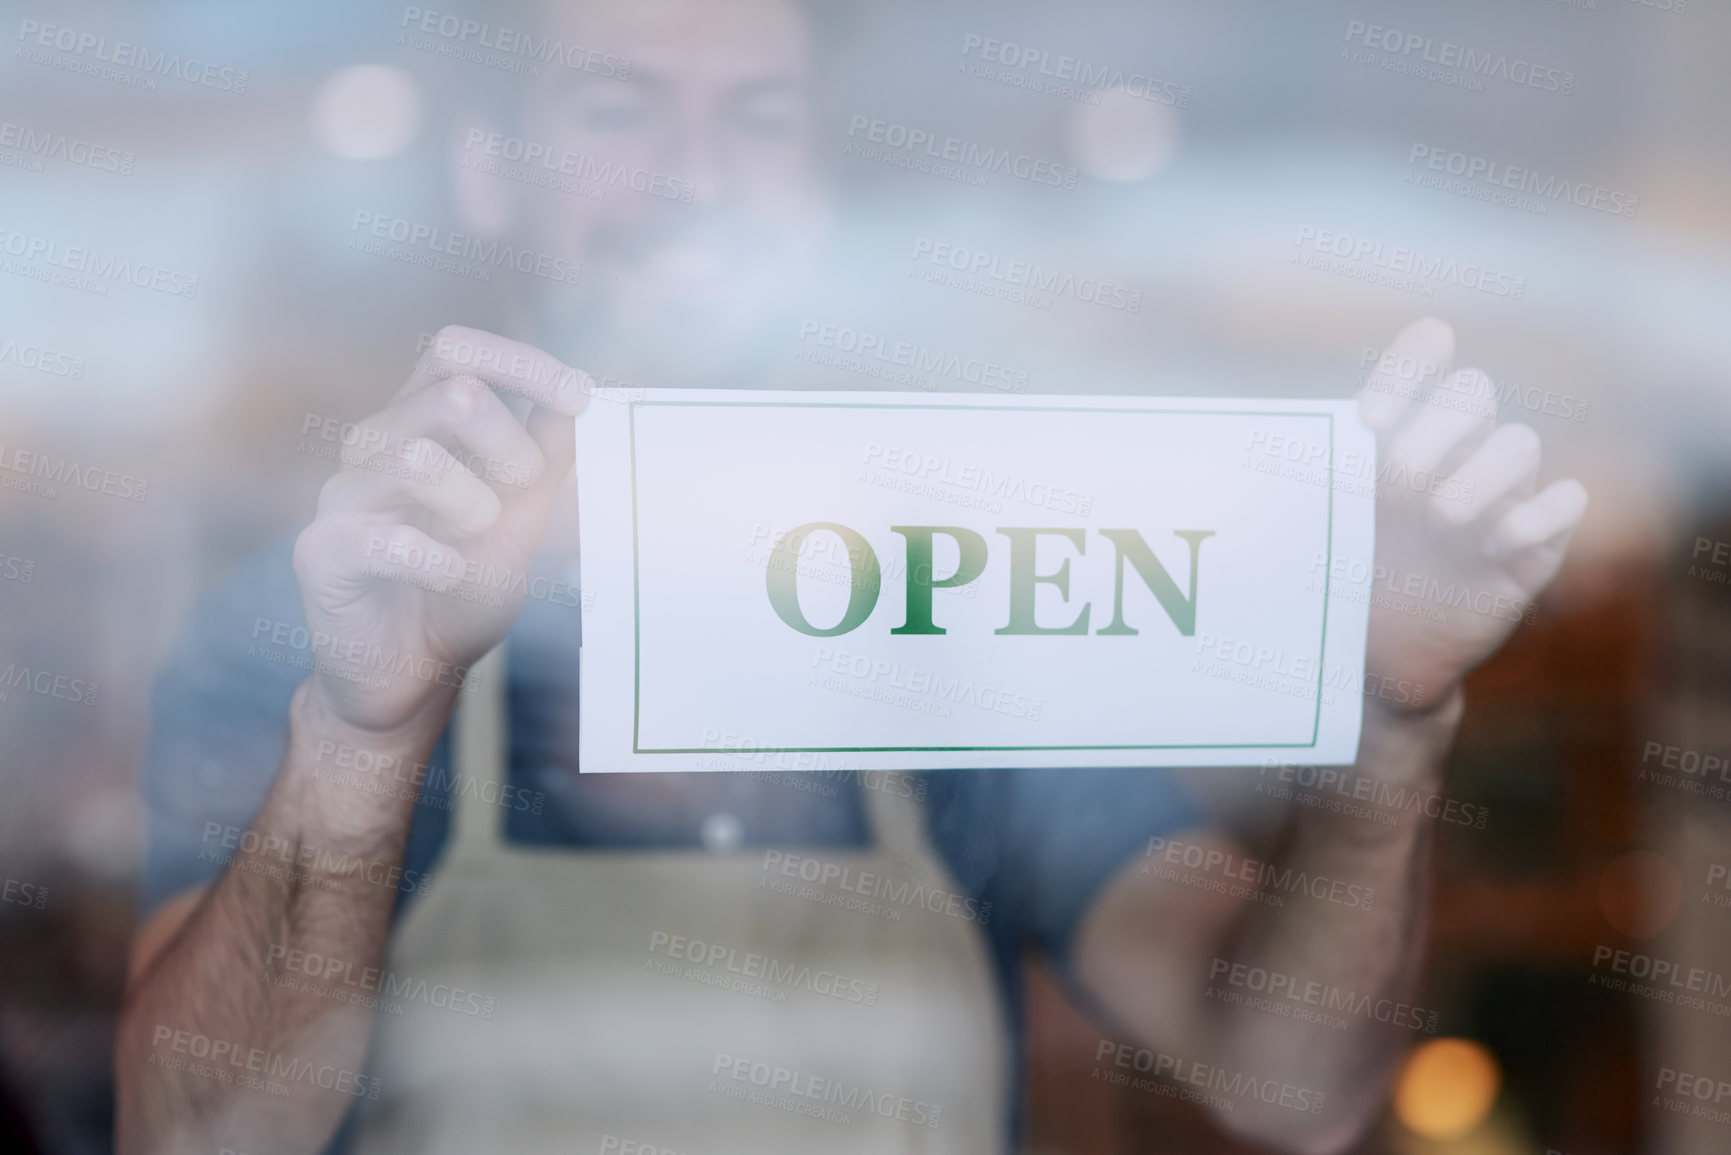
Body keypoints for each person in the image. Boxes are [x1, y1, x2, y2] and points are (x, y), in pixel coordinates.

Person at [114, 1, 1589, 1152]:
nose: (696, 170)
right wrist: (365, 734)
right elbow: (196, 1137)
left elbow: (1290, 1082)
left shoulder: (964, 597)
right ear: (494, 173)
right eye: (624, 107)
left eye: (757, 117)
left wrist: (1391, 727)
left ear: (820, 189)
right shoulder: (312, 618)